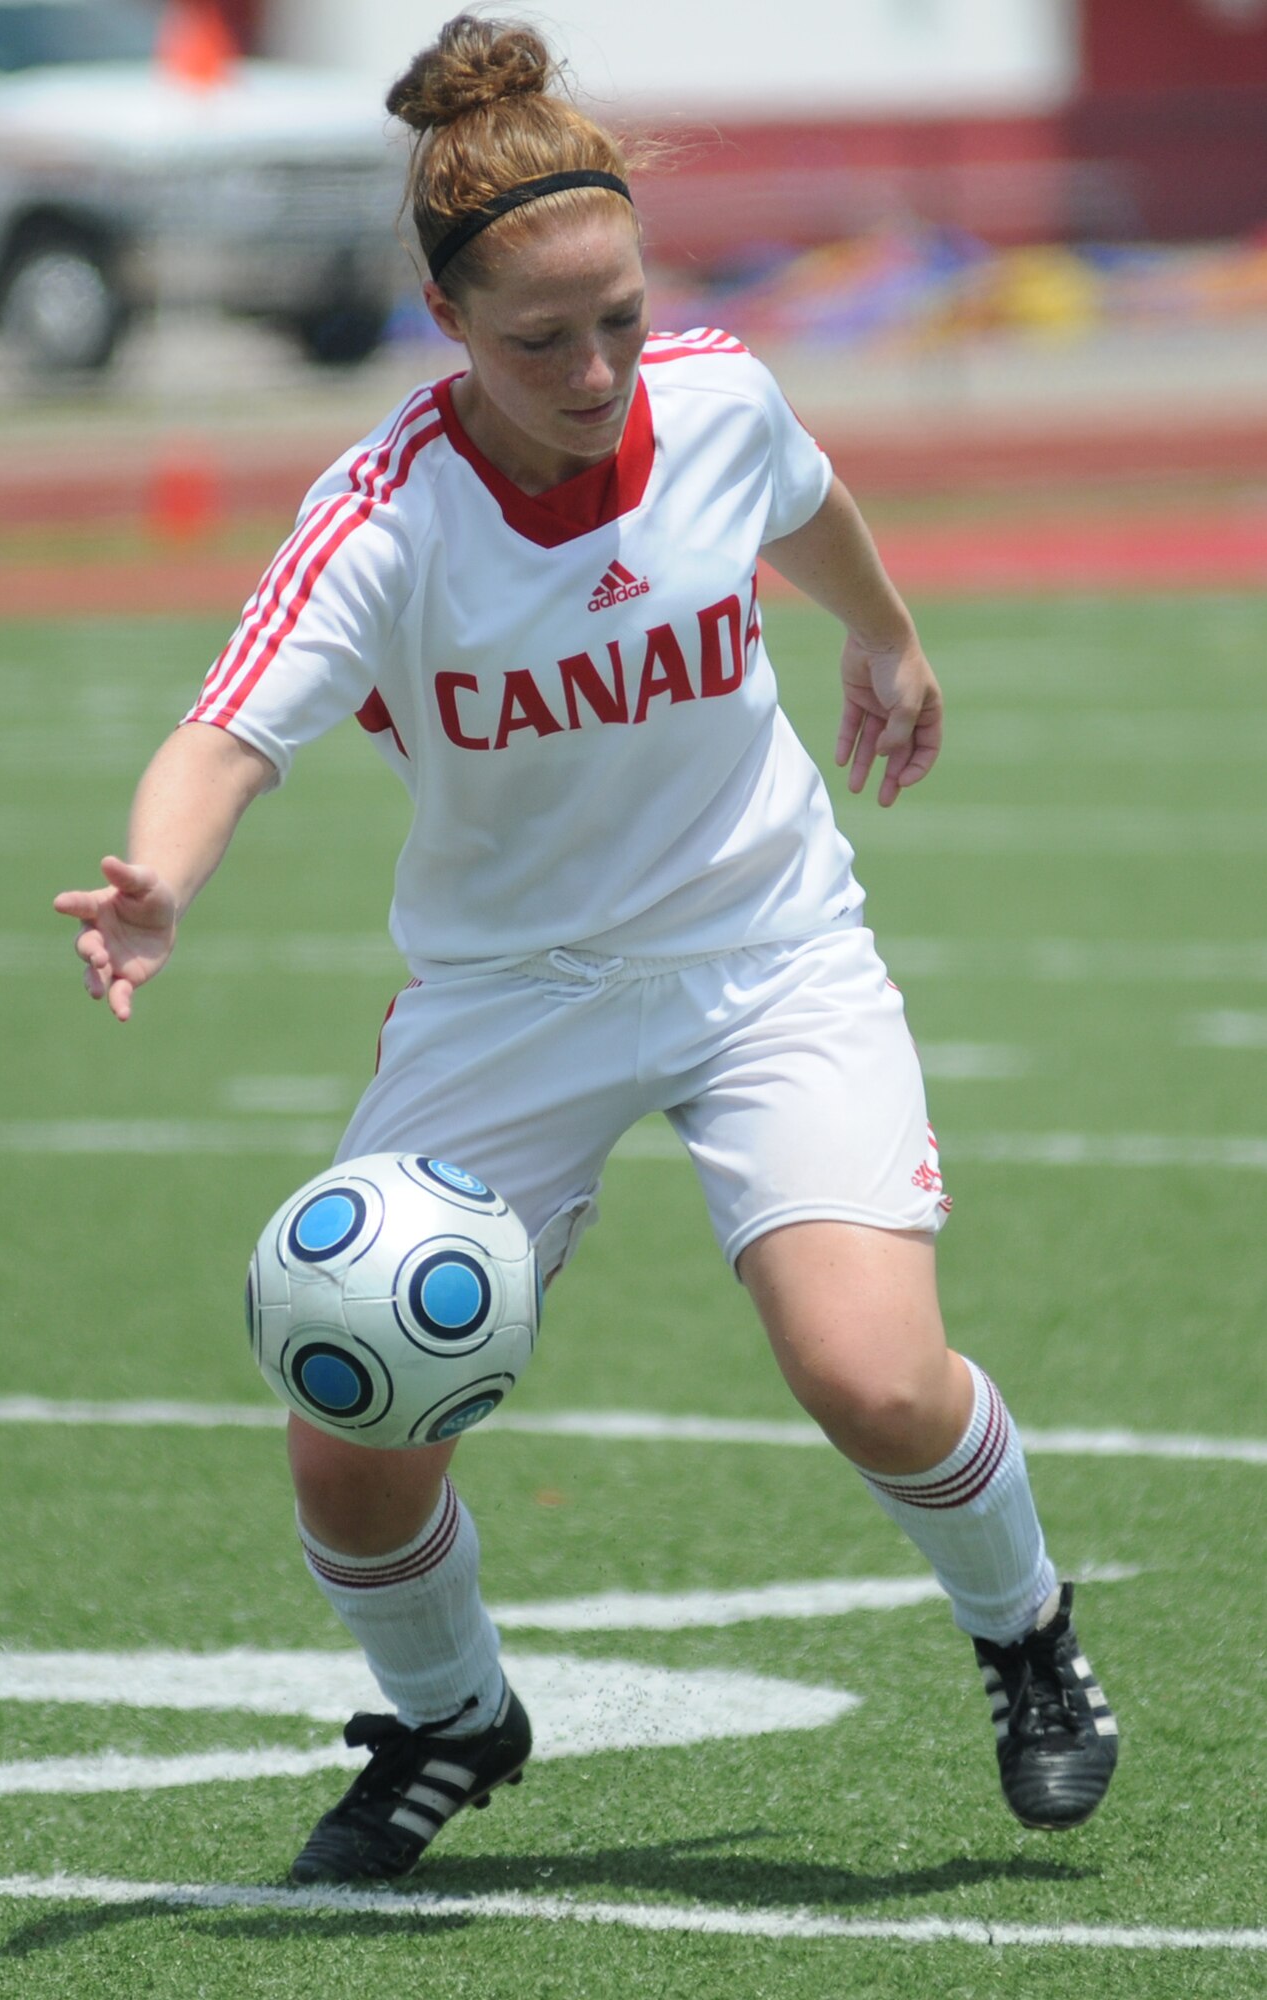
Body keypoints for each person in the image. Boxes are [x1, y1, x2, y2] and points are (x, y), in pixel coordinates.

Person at [54, 14, 1119, 1887]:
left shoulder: (713, 395)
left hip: (767, 952)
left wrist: (884, 634)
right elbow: (224, 733)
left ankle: (1024, 1629)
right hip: (507, 996)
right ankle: (448, 1718)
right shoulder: (383, 517)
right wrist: (159, 877)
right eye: (542, 339)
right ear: (449, 325)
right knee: (346, 1425)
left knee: (871, 1375)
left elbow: (804, 501)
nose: (598, 368)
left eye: (620, 316)